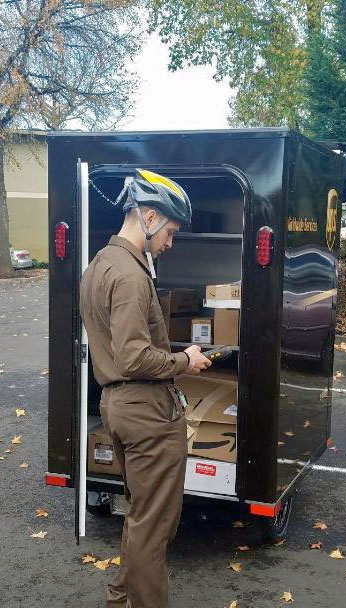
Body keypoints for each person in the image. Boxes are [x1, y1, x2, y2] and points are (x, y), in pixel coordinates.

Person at [80, 169, 211, 608]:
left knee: (141, 518)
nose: (170, 243)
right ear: (149, 216)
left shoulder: (99, 264)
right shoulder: (132, 276)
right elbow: (134, 357)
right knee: (154, 530)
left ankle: (120, 602)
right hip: (147, 413)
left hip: (118, 407)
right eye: (171, 231)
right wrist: (184, 361)